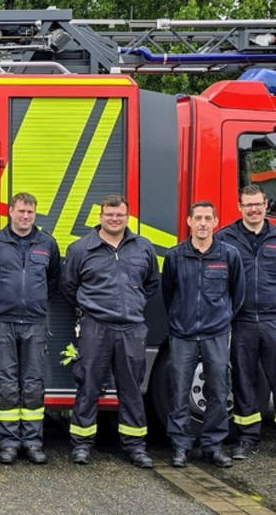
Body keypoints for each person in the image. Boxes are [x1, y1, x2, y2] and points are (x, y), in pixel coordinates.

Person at [61, 194, 159, 468]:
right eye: (109, 214)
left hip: (132, 328)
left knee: (131, 390)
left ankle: (135, 447)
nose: (114, 219)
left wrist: (133, 305)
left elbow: (151, 283)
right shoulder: (80, 249)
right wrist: (93, 309)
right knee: (88, 386)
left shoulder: (144, 247)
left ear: (128, 217)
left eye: (120, 215)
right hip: (95, 327)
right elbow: (69, 286)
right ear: (100, 216)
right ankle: (81, 445)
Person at [0, 192, 61, 465]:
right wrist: (1, 299)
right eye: (21, 211)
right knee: (7, 384)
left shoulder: (47, 243)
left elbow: (53, 280)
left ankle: (34, 442)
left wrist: (33, 302)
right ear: (10, 211)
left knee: (34, 384)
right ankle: (9, 443)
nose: (25, 216)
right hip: (2, 321)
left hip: (35, 323)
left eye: (30, 212)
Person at [163, 200, 245, 468]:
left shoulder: (229, 255)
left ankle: (213, 446)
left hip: (216, 334)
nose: (202, 223)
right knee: (179, 393)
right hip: (183, 334)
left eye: (207, 218)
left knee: (219, 392)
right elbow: (168, 294)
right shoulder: (175, 256)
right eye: (197, 218)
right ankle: (180, 446)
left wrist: (221, 319)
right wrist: (179, 318)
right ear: (188, 222)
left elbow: (237, 293)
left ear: (216, 222)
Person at [216, 185, 276, 460]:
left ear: (266, 205)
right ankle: (247, 439)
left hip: (273, 319)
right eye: (247, 204)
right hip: (241, 323)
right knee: (244, 380)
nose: (253, 209)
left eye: (258, 204)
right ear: (239, 207)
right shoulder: (225, 238)